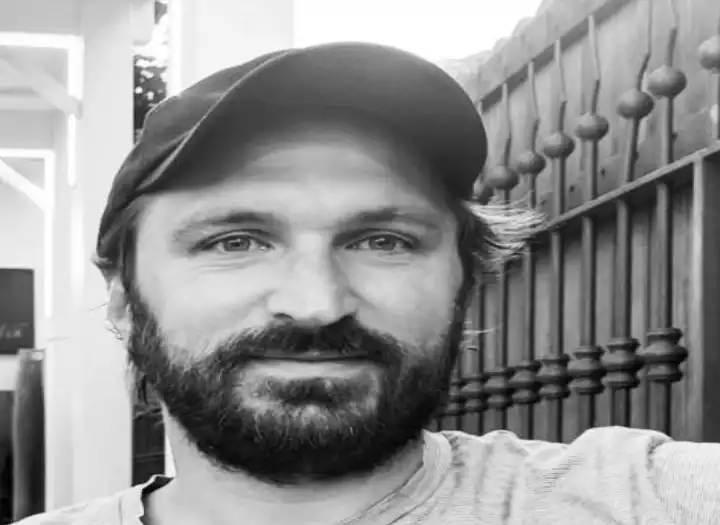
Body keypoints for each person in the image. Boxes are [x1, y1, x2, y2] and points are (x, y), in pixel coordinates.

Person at [17, 42, 720, 525]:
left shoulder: (649, 498)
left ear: (464, 280)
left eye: (385, 241)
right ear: (123, 299)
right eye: (235, 241)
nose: (317, 303)